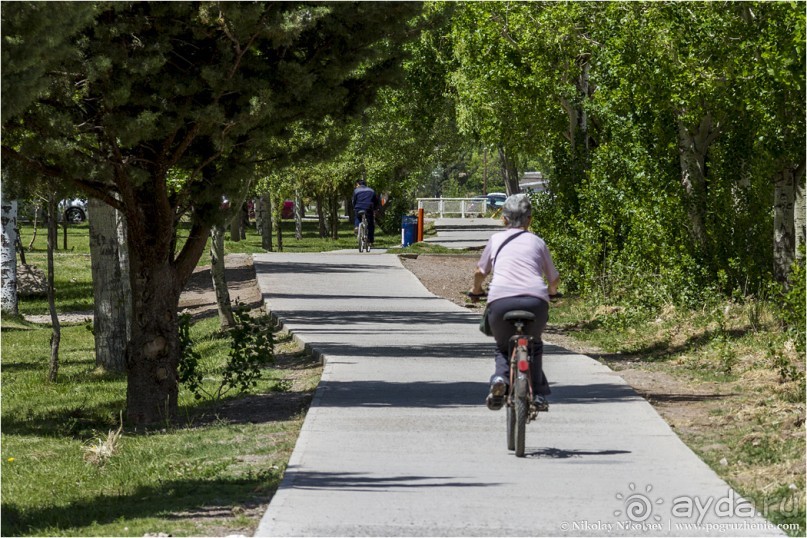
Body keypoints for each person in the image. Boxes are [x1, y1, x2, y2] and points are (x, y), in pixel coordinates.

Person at [469, 193, 560, 412]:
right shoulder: (538, 242)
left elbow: (480, 272)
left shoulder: (496, 240)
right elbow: (553, 278)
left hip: (501, 302)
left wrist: (476, 290)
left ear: (504, 219)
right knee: (534, 345)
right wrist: (553, 292)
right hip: (535, 303)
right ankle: (537, 394)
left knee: (503, 347)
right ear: (529, 219)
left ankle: (500, 379)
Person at [352, 179, 380, 245]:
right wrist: (375, 209)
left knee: (357, 216)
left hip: (358, 208)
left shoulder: (356, 191)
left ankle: (356, 226)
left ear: (358, 184)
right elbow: (376, 201)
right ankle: (370, 240)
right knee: (370, 224)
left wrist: (354, 207)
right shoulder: (371, 190)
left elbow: (353, 201)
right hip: (368, 208)